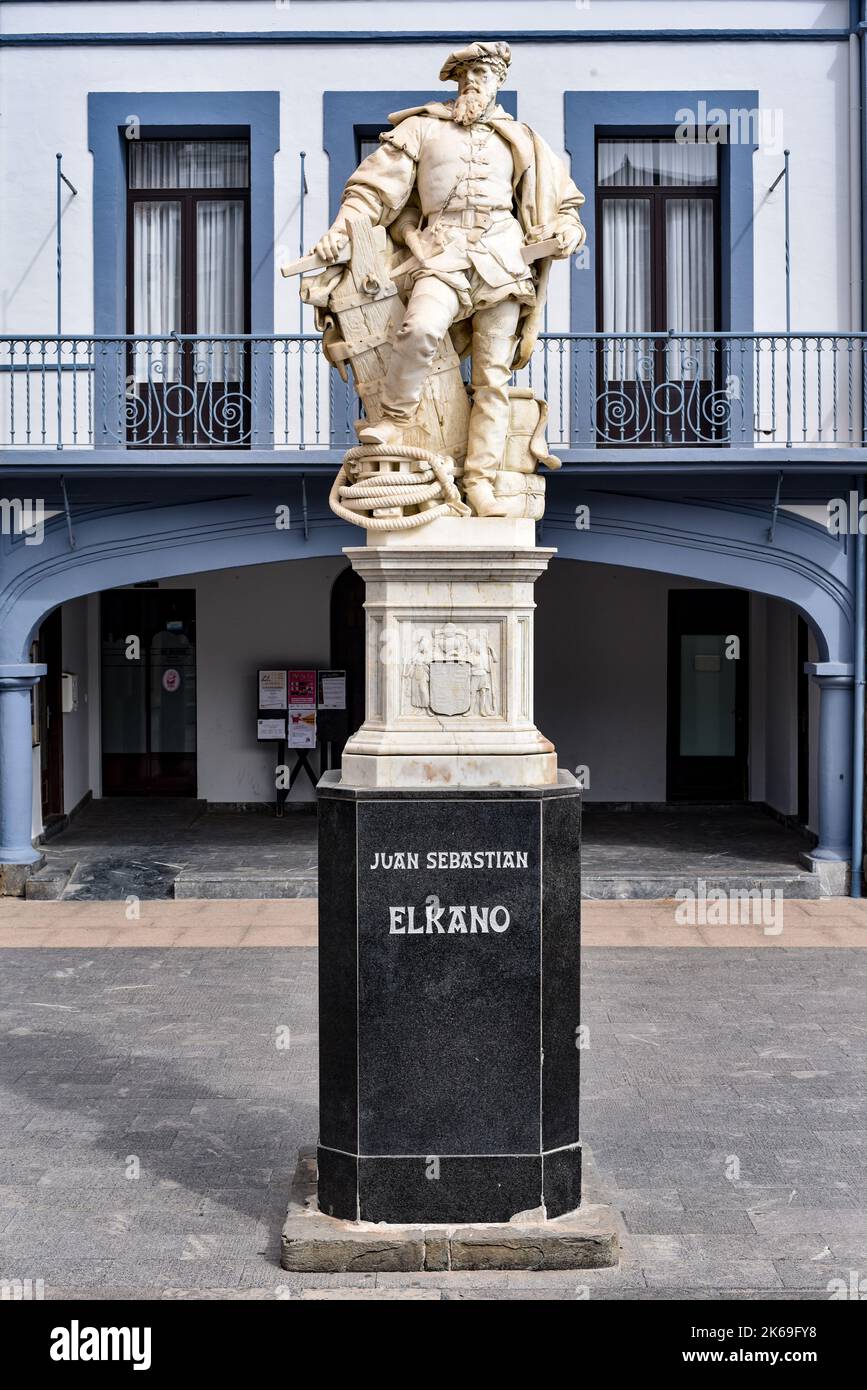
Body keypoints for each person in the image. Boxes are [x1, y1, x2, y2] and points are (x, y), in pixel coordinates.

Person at [311, 40, 585, 515]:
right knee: (418, 329)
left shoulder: (521, 139)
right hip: (442, 251)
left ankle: (480, 481)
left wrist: (565, 232)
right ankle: (394, 420)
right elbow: (372, 192)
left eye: (486, 75)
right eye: (469, 75)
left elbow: (566, 210)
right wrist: (341, 230)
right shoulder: (420, 130)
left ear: (500, 82)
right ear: (457, 81)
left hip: (503, 257)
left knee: (492, 378)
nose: (475, 83)